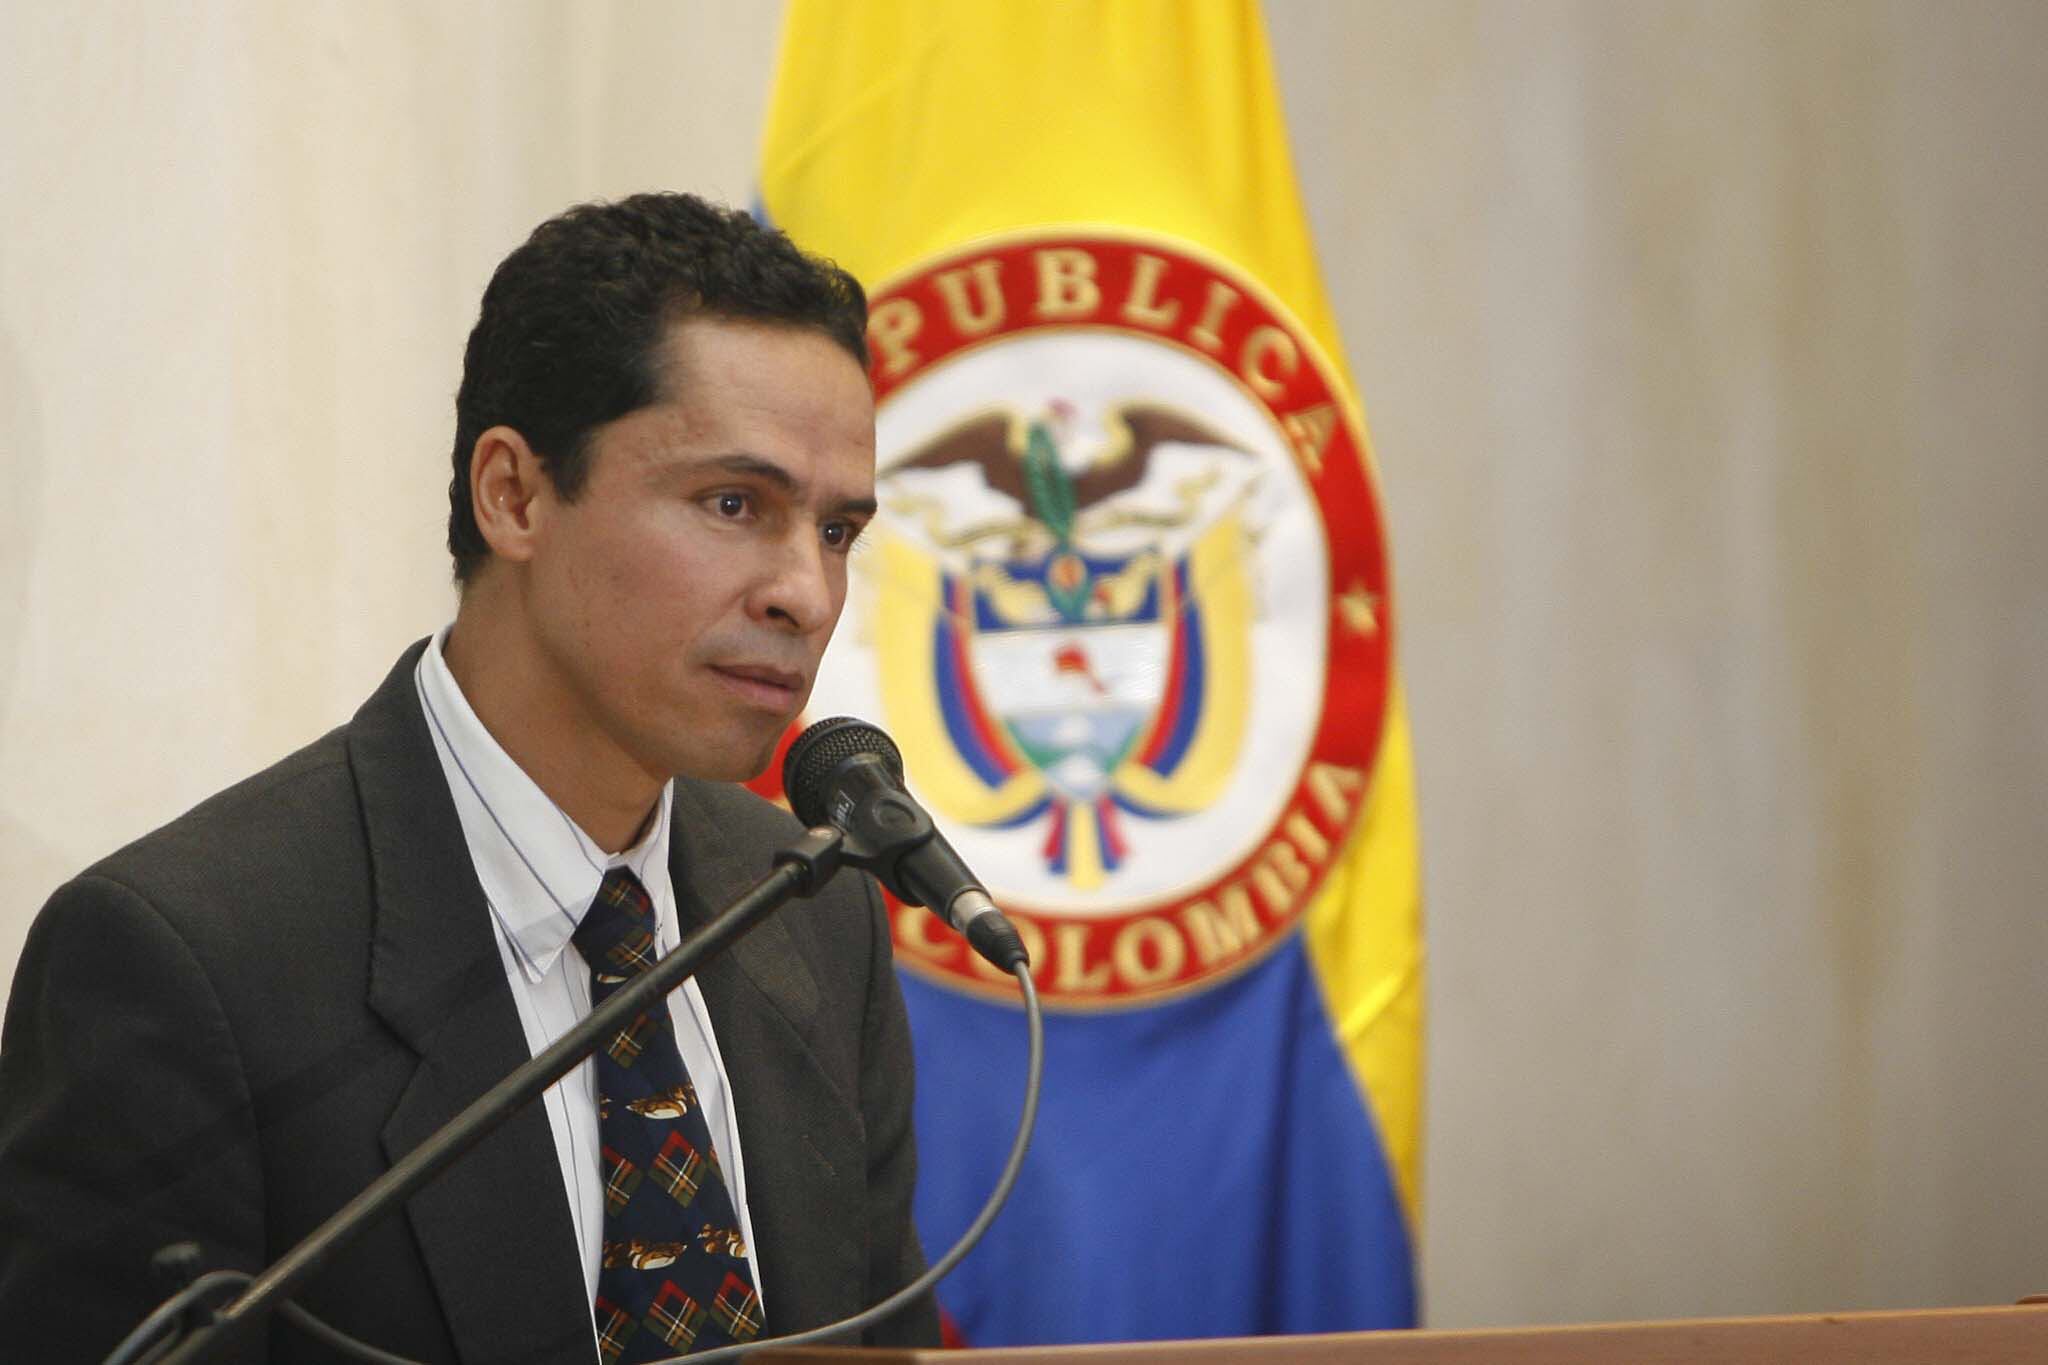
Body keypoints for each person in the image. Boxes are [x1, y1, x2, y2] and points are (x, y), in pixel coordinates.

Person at [0, 193, 941, 1363]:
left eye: (839, 531)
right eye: (733, 504)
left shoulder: (811, 912)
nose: (804, 591)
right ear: (515, 495)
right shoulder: (183, 962)